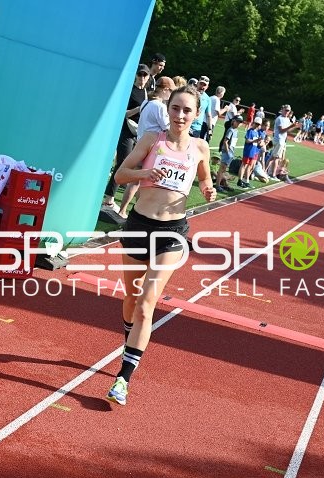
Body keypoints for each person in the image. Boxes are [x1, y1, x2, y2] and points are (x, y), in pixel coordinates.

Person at [106, 85, 217, 405]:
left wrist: (208, 190)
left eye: (187, 110)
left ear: (197, 115)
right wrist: (146, 172)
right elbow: (121, 176)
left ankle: (123, 380)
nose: (180, 115)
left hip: (172, 233)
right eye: (175, 108)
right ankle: (131, 337)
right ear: (167, 110)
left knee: (146, 301)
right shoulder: (151, 141)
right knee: (131, 299)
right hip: (140, 226)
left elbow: (205, 179)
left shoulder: (200, 148)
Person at [117, 75, 176, 219]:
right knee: (146, 182)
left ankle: (123, 210)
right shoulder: (160, 106)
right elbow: (166, 127)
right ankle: (138, 212)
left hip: (141, 143)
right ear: (166, 90)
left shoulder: (146, 102)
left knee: (135, 181)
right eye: (171, 91)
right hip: (152, 147)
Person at [101, 64, 149, 211]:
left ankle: (114, 198)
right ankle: (109, 199)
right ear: (135, 75)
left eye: (144, 75)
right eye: (140, 74)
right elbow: (122, 112)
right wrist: (138, 109)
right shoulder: (130, 90)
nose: (142, 78)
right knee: (122, 163)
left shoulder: (146, 92)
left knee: (131, 165)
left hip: (137, 132)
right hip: (125, 129)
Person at [267, 104, 297, 177]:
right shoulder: (280, 118)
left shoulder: (286, 119)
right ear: (283, 110)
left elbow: (288, 131)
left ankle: (265, 171)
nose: (287, 112)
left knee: (272, 157)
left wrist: (295, 127)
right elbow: (281, 130)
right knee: (276, 158)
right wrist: (292, 125)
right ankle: (273, 174)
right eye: (286, 110)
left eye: (288, 111)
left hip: (282, 140)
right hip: (278, 140)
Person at [215, 115, 242, 190]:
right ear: (234, 121)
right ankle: (218, 185)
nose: (239, 123)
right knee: (222, 169)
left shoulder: (236, 131)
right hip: (227, 152)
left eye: (240, 122)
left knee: (224, 169)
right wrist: (228, 152)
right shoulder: (231, 130)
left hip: (231, 152)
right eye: (238, 121)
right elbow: (226, 141)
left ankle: (222, 184)